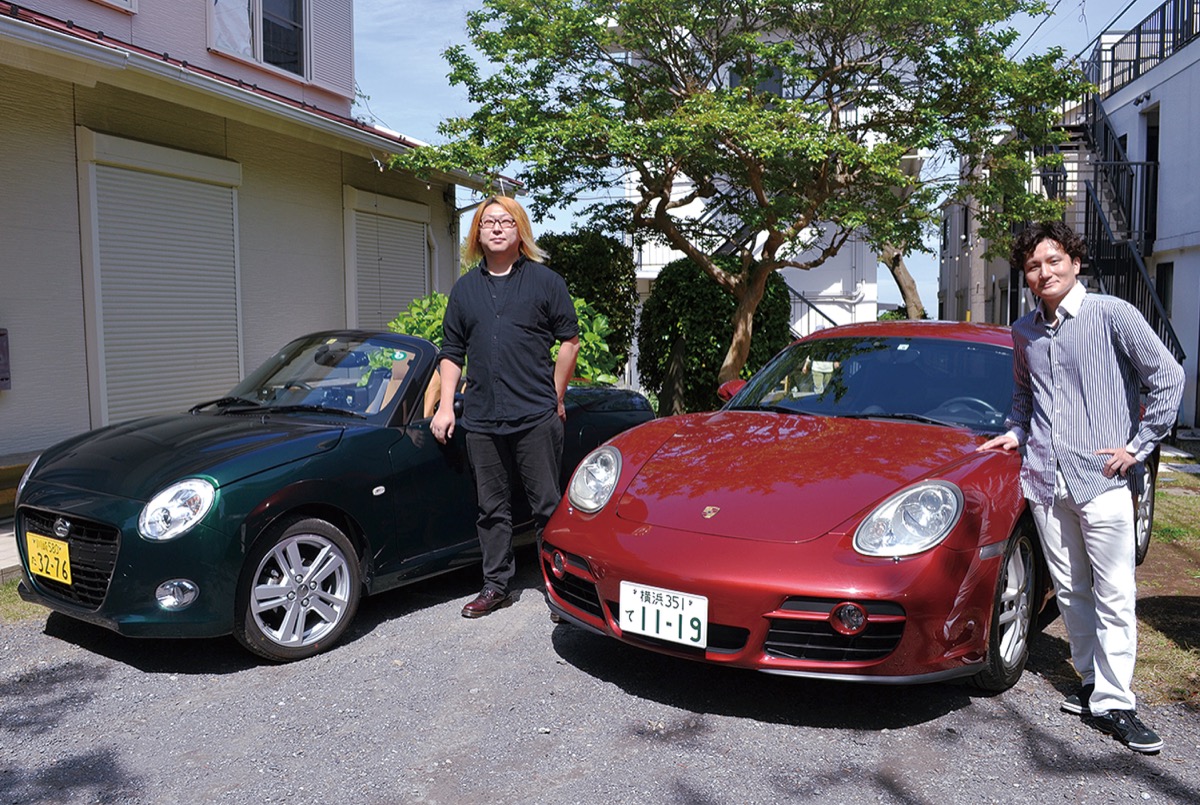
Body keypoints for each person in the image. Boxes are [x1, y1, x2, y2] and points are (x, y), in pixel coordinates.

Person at [978, 220, 1183, 754]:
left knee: (1115, 593)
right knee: (1069, 590)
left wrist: (1138, 447)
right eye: (1032, 266)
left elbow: (1168, 376)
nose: (1044, 272)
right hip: (1046, 480)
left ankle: (1117, 702)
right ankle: (1092, 682)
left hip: (1103, 481)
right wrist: (1015, 432)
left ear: (1074, 261)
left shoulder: (1112, 314)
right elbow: (1025, 396)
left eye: (1053, 261)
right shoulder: (1024, 332)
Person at [431, 196, 580, 618]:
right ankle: (495, 586)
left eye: (506, 222)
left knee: (547, 507)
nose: (496, 228)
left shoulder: (545, 282)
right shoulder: (465, 290)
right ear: (477, 233)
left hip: (535, 416)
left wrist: (556, 395)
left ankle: (560, 590)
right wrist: (446, 407)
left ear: (520, 231)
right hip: (480, 418)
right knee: (490, 509)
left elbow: (569, 340)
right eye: (488, 222)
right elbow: (451, 351)